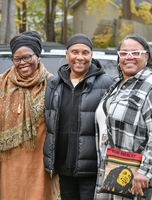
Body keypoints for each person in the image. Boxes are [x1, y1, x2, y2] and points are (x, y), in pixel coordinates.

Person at [0, 31, 59, 200]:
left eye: (27, 57)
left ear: (38, 56)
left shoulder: (52, 83)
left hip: (40, 163)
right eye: (17, 59)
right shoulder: (1, 82)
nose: (22, 63)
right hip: (8, 163)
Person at [43, 33, 114, 200]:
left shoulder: (107, 83)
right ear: (67, 54)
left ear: (91, 55)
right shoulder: (54, 84)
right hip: (64, 165)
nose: (80, 57)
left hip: (93, 167)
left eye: (85, 52)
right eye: (75, 52)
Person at [94, 34, 152, 200]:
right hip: (111, 171)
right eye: (124, 53)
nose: (129, 57)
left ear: (146, 56)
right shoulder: (118, 84)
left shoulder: (149, 86)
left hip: (137, 178)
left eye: (135, 53)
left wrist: (145, 171)